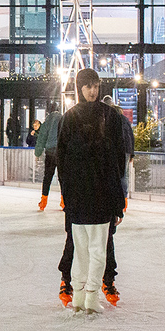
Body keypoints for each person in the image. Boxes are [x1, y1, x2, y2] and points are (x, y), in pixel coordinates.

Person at [56, 69, 126, 313]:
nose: (93, 91)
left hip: (102, 194)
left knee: (98, 248)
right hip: (79, 195)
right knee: (82, 250)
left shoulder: (110, 117)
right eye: (87, 86)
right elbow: (61, 161)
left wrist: (117, 199)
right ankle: (79, 293)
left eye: (95, 86)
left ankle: (93, 292)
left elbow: (118, 161)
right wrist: (67, 194)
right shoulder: (69, 118)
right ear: (79, 88)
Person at [35, 103, 62, 211]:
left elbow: (42, 137)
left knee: (47, 177)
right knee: (62, 178)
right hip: (61, 152)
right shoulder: (63, 119)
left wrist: (38, 152)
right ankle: (64, 202)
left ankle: (43, 201)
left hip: (50, 152)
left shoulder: (47, 122)